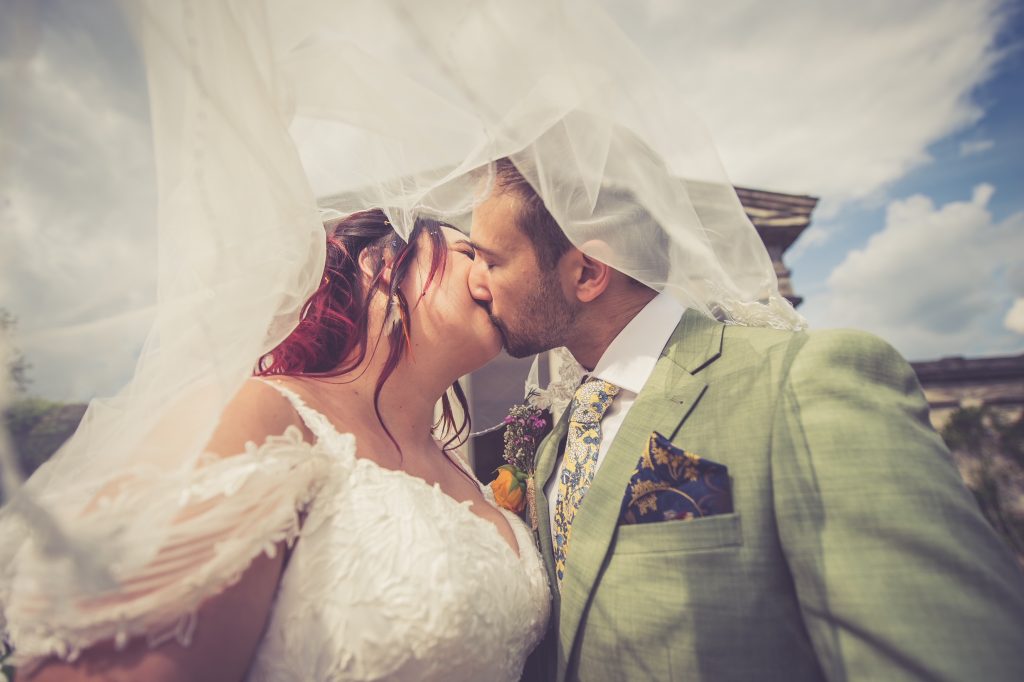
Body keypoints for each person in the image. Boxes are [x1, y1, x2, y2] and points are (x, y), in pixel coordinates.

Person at [467, 157, 1024, 682]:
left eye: (492, 260)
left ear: (586, 272)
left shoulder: (802, 383)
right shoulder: (555, 441)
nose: (476, 281)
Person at [6, 209, 549, 681]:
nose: (493, 274)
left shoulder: (466, 475)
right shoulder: (265, 419)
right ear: (379, 265)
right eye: (467, 252)